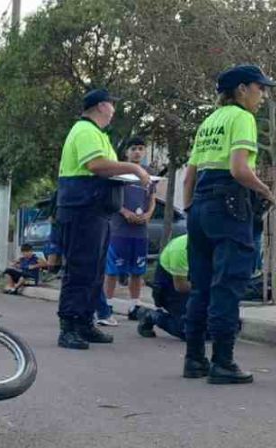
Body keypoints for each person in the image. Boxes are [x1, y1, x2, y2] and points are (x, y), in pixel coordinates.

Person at [181, 65, 276, 383]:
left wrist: (190, 209)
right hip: (230, 204)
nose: (262, 95)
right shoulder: (242, 118)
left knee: (201, 286)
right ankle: (223, 362)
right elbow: (239, 169)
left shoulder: (208, 121)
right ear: (241, 89)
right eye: (259, 88)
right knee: (227, 285)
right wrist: (266, 192)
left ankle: (194, 359)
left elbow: (190, 174)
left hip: (200, 206)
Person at [54, 89, 151, 350]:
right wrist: (133, 168)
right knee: (80, 269)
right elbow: (96, 165)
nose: (114, 110)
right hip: (82, 209)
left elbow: (105, 167)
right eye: (112, 105)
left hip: (97, 210)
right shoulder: (85, 130)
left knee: (94, 271)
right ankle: (70, 326)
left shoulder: (98, 134)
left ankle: (85, 322)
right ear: (100, 106)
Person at [99, 136, 157, 326]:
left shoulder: (149, 174)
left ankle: (134, 305)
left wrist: (148, 214)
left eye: (141, 148)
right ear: (127, 152)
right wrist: (124, 212)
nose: (138, 152)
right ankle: (107, 305)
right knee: (113, 269)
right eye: (134, 149)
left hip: (140, 233)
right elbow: (112, 198)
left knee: (137, 270)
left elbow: (152, 198)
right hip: (119, 230)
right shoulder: (120, 172)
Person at [138, 234, 190, 340]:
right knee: (188, 330)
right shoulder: (181, 249)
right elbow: (181, 286)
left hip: (200, 283)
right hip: (173, 286)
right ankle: (151, 316)